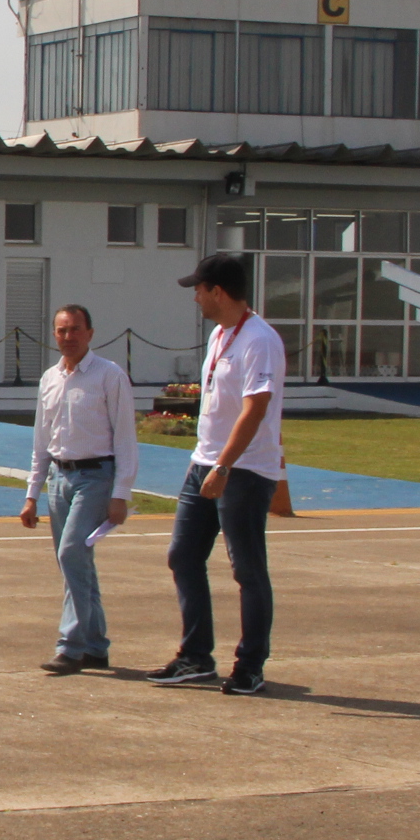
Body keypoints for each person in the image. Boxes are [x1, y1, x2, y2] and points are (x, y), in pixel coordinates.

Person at [151, 252, 285, 695]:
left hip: (242, 470)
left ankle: (250, 665)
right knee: (183, 555)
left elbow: (255, 408)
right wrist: (204, 461)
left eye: (199, 289)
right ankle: (195, 656)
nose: (195, 297)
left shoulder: (258, 340)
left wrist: (224, 466)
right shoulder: (219, 335)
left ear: (218, 292)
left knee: (246, 569)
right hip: (204, 463)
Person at [20, 303, 137, 675]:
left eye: (74, 329)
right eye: (61, 330)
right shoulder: (50, 378)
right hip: (60, 479)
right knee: (76, 564)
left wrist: (121, 494)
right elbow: (42, 439)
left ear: (90, 333)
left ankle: (70, 647)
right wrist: (31, 493)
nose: (67, 337)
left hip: (96, 477)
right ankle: (96, 646)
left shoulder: (109, 376)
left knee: (72, 554)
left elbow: (126, 439)